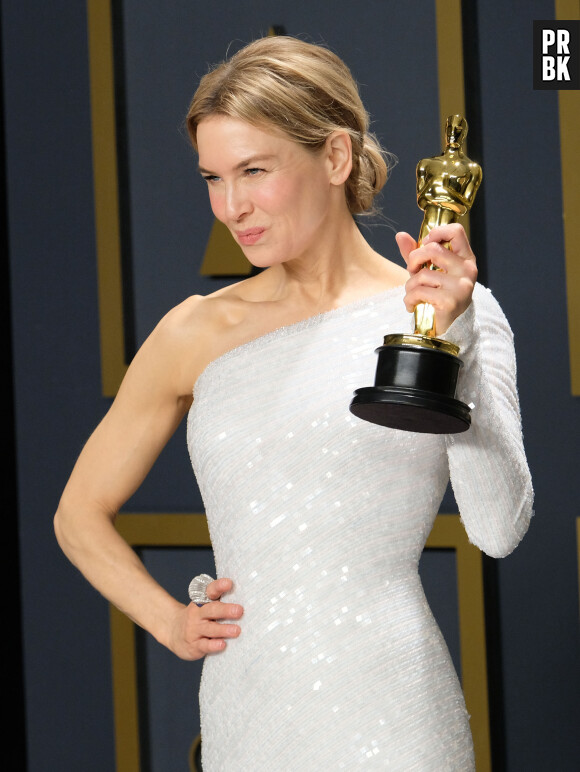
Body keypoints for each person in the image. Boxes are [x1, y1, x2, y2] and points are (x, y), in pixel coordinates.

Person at [55, 35, 533, 770]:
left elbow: (499, 529)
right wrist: (174, 624)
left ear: (336, 158)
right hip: (248, 717)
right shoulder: (194, 331)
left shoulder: (450, 313)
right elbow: (77, 515)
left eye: (254, 170)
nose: (231, 205)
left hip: (396, 715)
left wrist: (456, 333)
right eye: (214, 177)